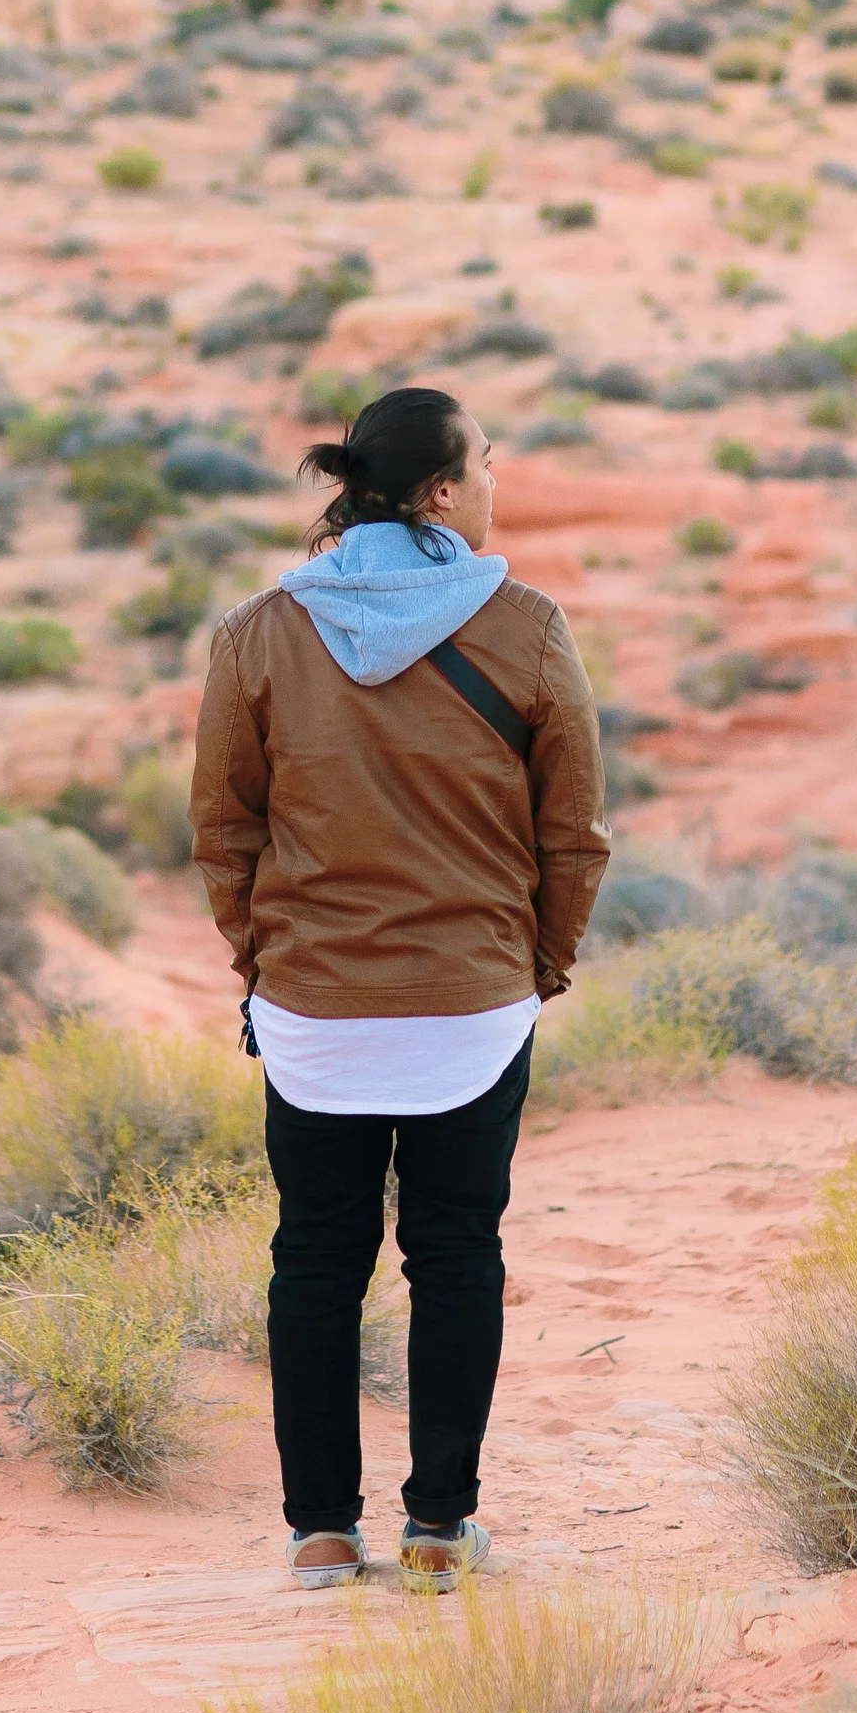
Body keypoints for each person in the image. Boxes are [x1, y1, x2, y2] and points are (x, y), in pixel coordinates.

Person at [188, 384, 610, 1595]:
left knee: (315, 1259)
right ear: (438, 493)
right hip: (472, 1005)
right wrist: (535, 969)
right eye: (483, 461)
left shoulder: (259, 632)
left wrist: (264, 964)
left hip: (314, 1008)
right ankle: (436, 1531)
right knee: (455, 1254)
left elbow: (224, 829)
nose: (494, 477)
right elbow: (572, 832)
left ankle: (322, 1534)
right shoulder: (525, 627)